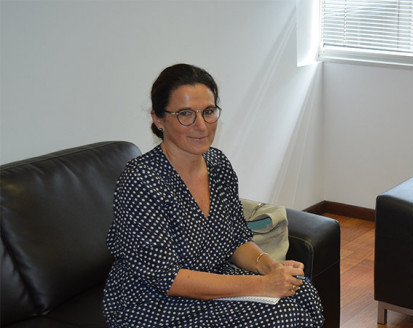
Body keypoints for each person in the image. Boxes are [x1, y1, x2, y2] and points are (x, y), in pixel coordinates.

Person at [102, 64, 324, 327]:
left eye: (208, 112)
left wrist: (269, 266)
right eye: (185, 114)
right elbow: (167, 278)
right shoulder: (142, 180)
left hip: (215, 280)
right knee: (282, 317)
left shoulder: (217, 164)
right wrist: (261, 285)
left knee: (304, 293)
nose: (201, 126)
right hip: (155, 302)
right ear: (159, 119)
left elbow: (237, 240)